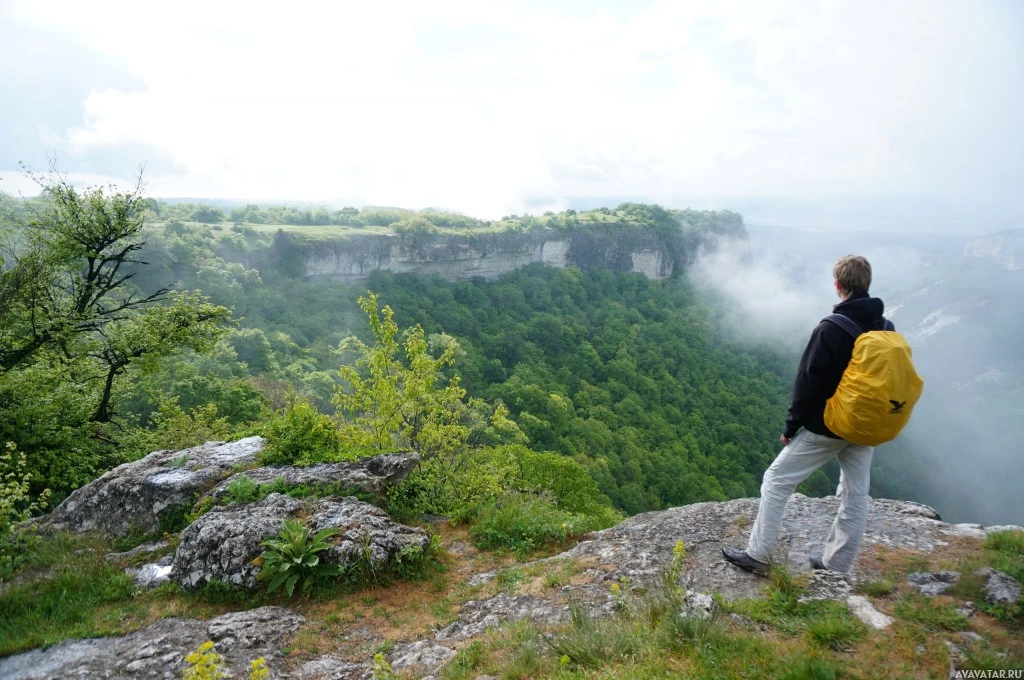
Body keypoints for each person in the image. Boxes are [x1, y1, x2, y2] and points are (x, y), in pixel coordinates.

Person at [723, 255, 888, 575]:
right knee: (855, 494)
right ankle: (837, 565)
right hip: (865, 425)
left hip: (828, 425)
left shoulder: (832, 327)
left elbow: (808, 382)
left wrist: (791, 426)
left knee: (775, 481)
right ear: (866, 284)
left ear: (838, 285)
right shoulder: (885, 325)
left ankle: (758, 555)